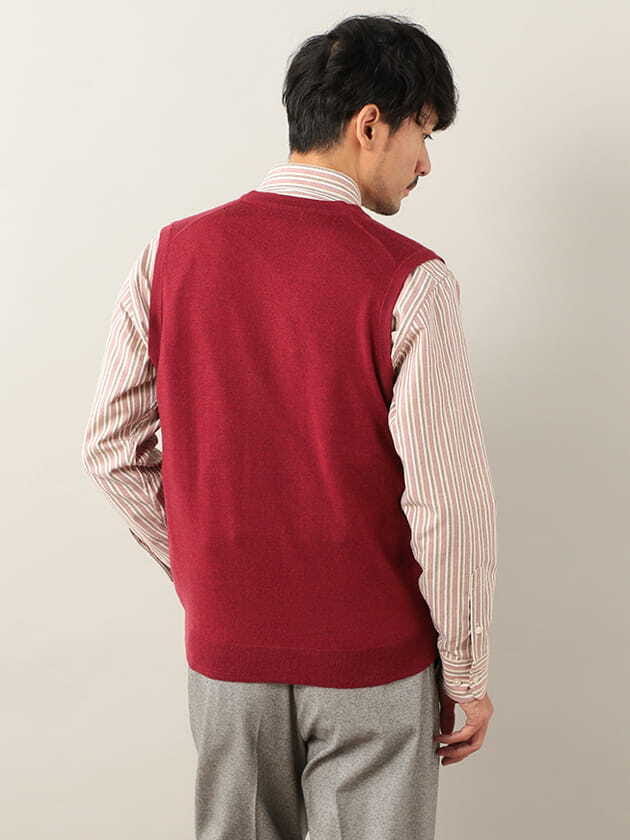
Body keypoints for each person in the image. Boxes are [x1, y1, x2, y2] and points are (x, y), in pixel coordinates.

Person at [81, 13, 497, 840]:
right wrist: (466, 670)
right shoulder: (411, 280)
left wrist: (206, 570)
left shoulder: (169, 256)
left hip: (228, 653)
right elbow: (448, 504)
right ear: (369, 124)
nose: (425, 162)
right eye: (422, 133)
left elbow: (110, 450)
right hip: (371, 659)